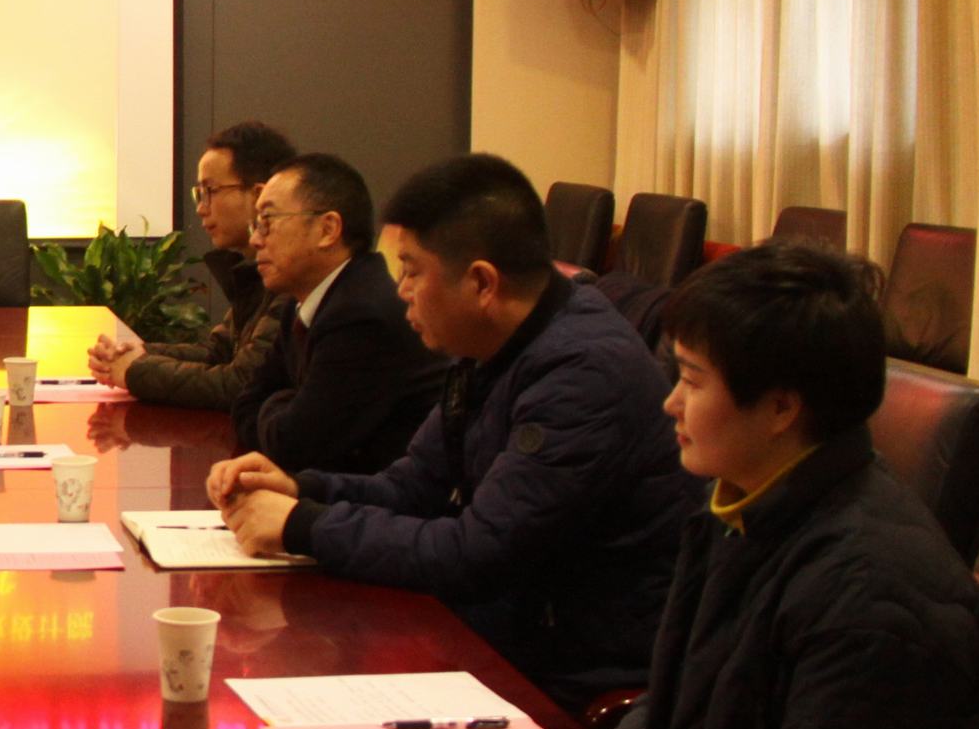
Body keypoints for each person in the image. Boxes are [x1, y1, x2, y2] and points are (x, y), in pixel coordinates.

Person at [608, 243, 979, 729]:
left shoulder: (874, 588)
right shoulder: (744, 500)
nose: (670, 402)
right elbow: (673, 699)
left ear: (780, 407)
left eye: (692, 381)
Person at [213, 153, 698, 700]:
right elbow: (411, 486)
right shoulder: (491, 341)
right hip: (501, 632)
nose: (400, 290)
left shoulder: (582, 375)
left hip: (567, 672)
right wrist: (299, 488)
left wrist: (302, 525)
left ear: (481, 283)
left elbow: (476, 554)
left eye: (412, 271)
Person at [226, 152, 445, 476]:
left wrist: (276, 402)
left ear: (328, 229)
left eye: (268, 221)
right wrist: (286, 403)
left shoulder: (362, 316)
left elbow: (292, 447)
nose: (255, 239)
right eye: (256, 224)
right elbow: (244, 403)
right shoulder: (300, 305)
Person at [88, 120, 294, 410]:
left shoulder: (292, 277)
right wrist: (140, 352)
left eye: (211, 191)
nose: (200, 208)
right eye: (199, 194)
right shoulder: (253, 270)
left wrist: (134, 370)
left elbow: (239, 383)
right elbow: (218, 352)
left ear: (258, 196)